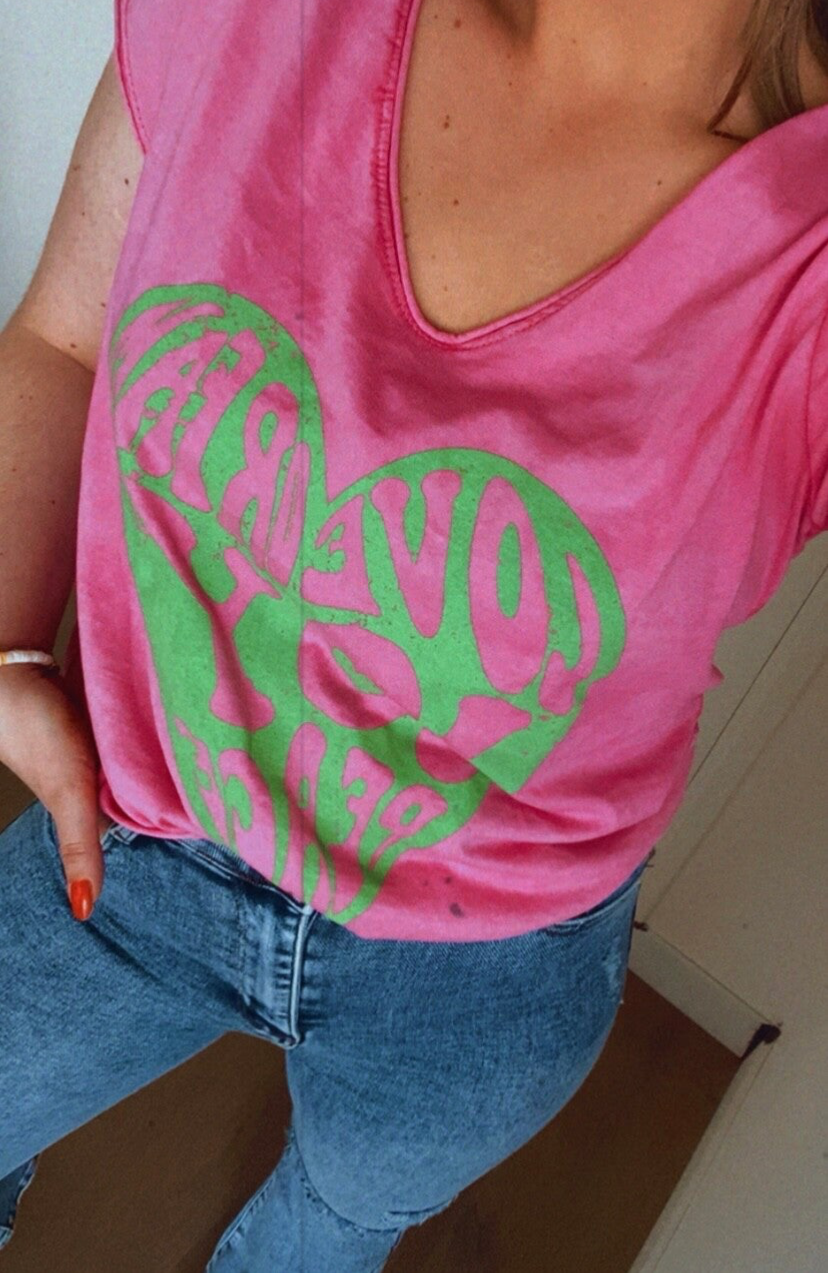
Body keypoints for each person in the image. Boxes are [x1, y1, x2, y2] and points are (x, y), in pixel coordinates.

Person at [1, 1, 826, 1270]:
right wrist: (8, 647)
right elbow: (63, 335)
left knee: (333, 1229)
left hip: (480, 984)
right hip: (119, 842)